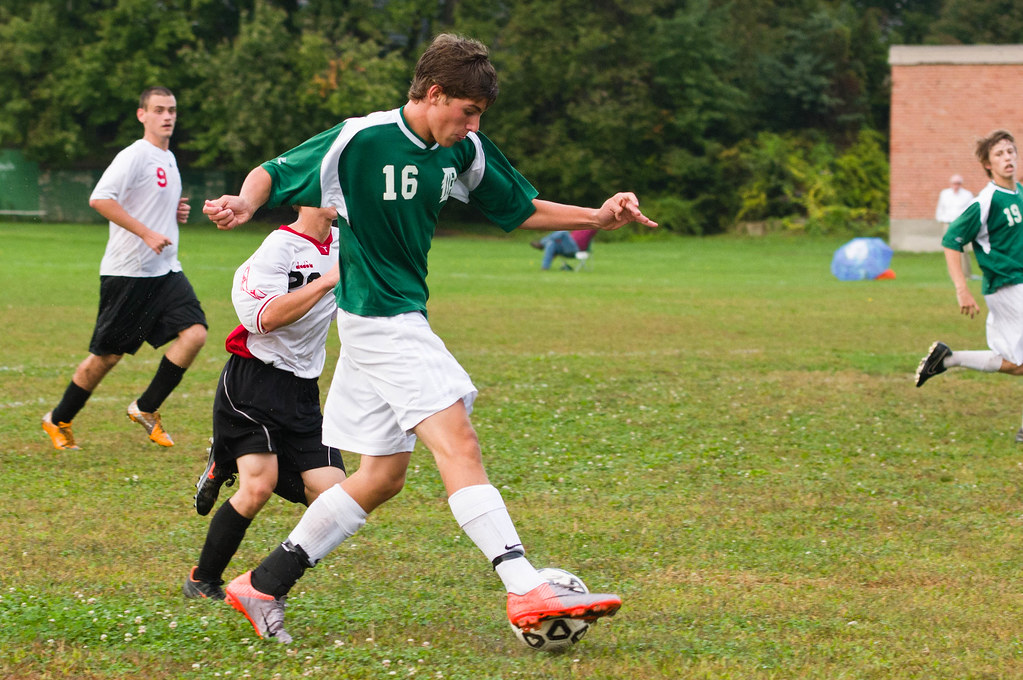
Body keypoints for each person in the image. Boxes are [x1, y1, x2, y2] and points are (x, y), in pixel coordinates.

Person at [203, 33, 657, 644]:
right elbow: (275, 171)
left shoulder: (460, 150)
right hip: (381, 320)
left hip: (388, 321)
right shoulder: (360, 138)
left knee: (381, 476)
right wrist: (243, 201)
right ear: (435, 93)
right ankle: (524, 583)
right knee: (458, 440)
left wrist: (597, 217)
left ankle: (261, 586)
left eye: (479, 117)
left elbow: (518, 207)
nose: (472, 125)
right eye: (467, 111)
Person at [184, 206, 347, 601]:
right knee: (258, 487)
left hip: (302, 391)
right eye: (331, 188)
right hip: (252, 383)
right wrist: (328, 281)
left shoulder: (347, 243)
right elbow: (264, 319)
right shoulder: (279, 247)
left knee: (336, 498)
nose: (341, 195)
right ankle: (202, 580)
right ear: (303, 196)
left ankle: (226, 457)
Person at [42, 86, 207, 450]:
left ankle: (147, 408)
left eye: (172, 111)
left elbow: (151, 203)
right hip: (128, 273)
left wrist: (173, 214)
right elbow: (100, 198)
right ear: (142, 115)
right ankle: (58, 418)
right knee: (107, 357)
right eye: (160, 110)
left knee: (195, 333)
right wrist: (147, 232)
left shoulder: (169, 159)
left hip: (165, 271)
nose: (167, 117)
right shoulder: (135, 155)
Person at [916, 129, 1023, 441]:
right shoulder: (985, 202)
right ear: (987, 164)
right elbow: (952, 242)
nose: (1008, 158)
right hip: (1007, 286)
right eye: (999, 154)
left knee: (1018, 365)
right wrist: (961, 288)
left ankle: (947, 359)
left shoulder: (1020, 193)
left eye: (1011, 152)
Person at [935, 174, 976, 279]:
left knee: (963, 250)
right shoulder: (945, 194)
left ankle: (966, 274)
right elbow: (940, 208)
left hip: (961, 225)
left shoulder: (967, 195)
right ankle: (953, 274)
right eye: (954, 183)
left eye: (958, 183)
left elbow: (970, 211)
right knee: (949, 250)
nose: (956, 186)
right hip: (948, 223)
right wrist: (941, 219)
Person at [530, 229, 597, 270]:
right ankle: (544, 268)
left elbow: (600, 222)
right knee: (552, 244)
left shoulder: (592, 226)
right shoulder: (580, 225)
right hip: (568, 246)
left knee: (563, 232)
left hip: (576, 249)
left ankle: (542, 243)